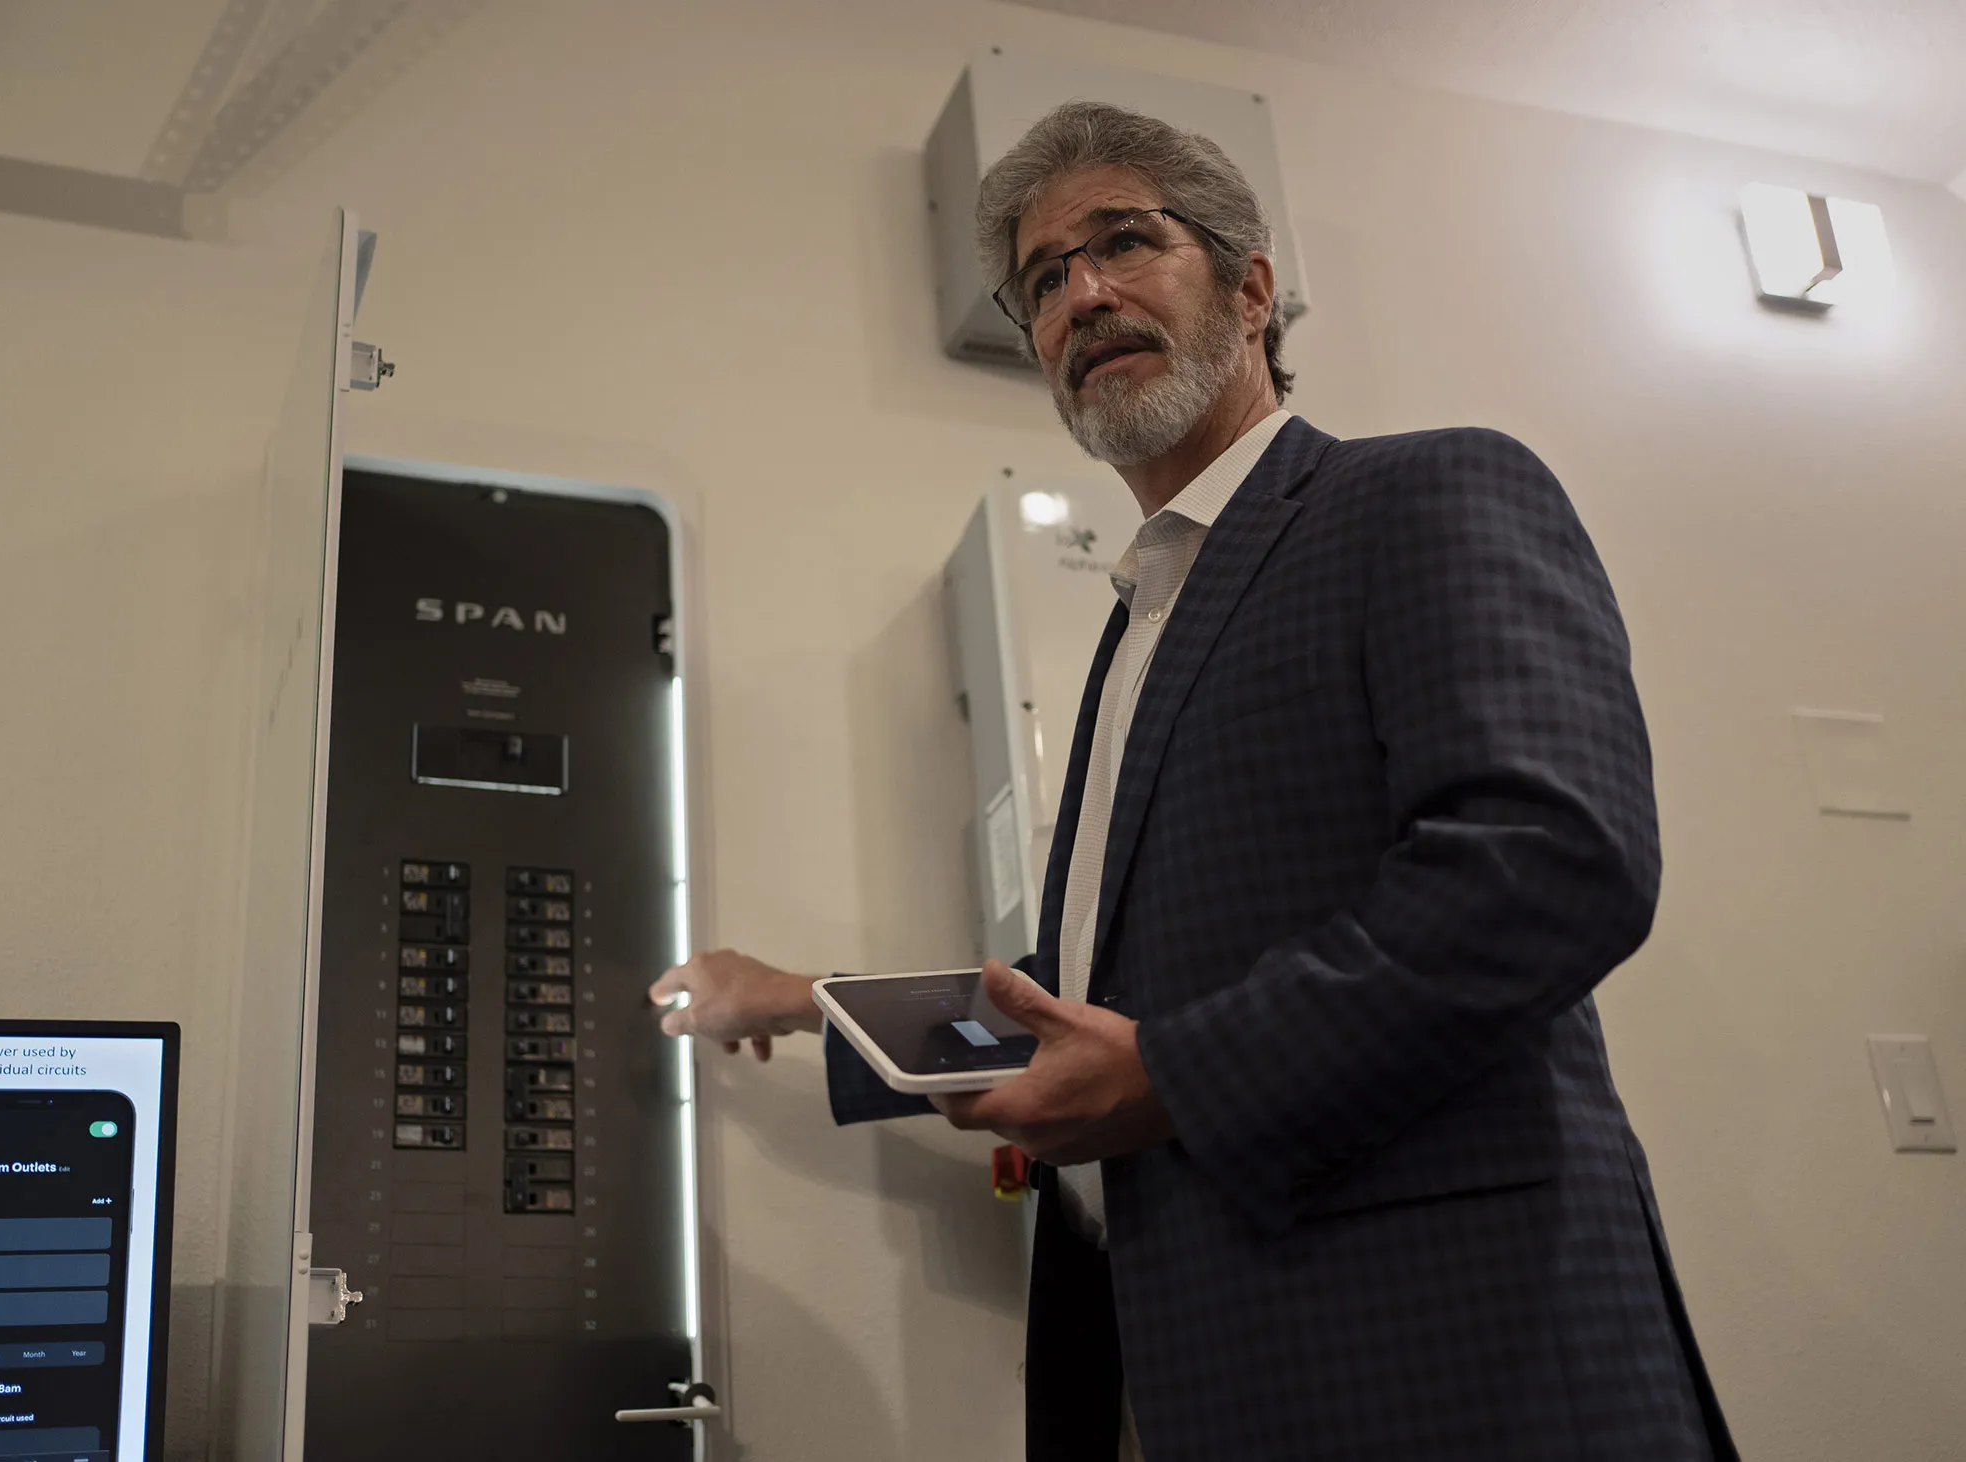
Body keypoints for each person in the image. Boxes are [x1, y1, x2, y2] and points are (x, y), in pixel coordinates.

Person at [649, 101, 1736, 1462]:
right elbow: (1073, 1017)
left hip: (1448, 1359)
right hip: (1172, 1362)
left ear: (1254, 287)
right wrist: (801, 998)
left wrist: (1173, 1073)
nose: (1082, 294)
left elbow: (1548, 857)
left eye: (1124, 243)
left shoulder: (1423, 494)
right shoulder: (1132, 628)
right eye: (1045, 279)